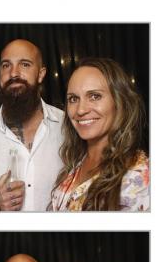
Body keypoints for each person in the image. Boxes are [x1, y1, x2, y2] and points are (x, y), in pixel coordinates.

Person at [0, 39, 64, 212]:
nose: (14, 73)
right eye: (6, 65)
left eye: (25, 64)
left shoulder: (68, 128)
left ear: (41, 74)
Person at [49, 58, 149, 212]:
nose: (81, 110)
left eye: (94, 96)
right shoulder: (76, 162)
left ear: (119, 102)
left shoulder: (138, 175)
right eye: (73, 99)